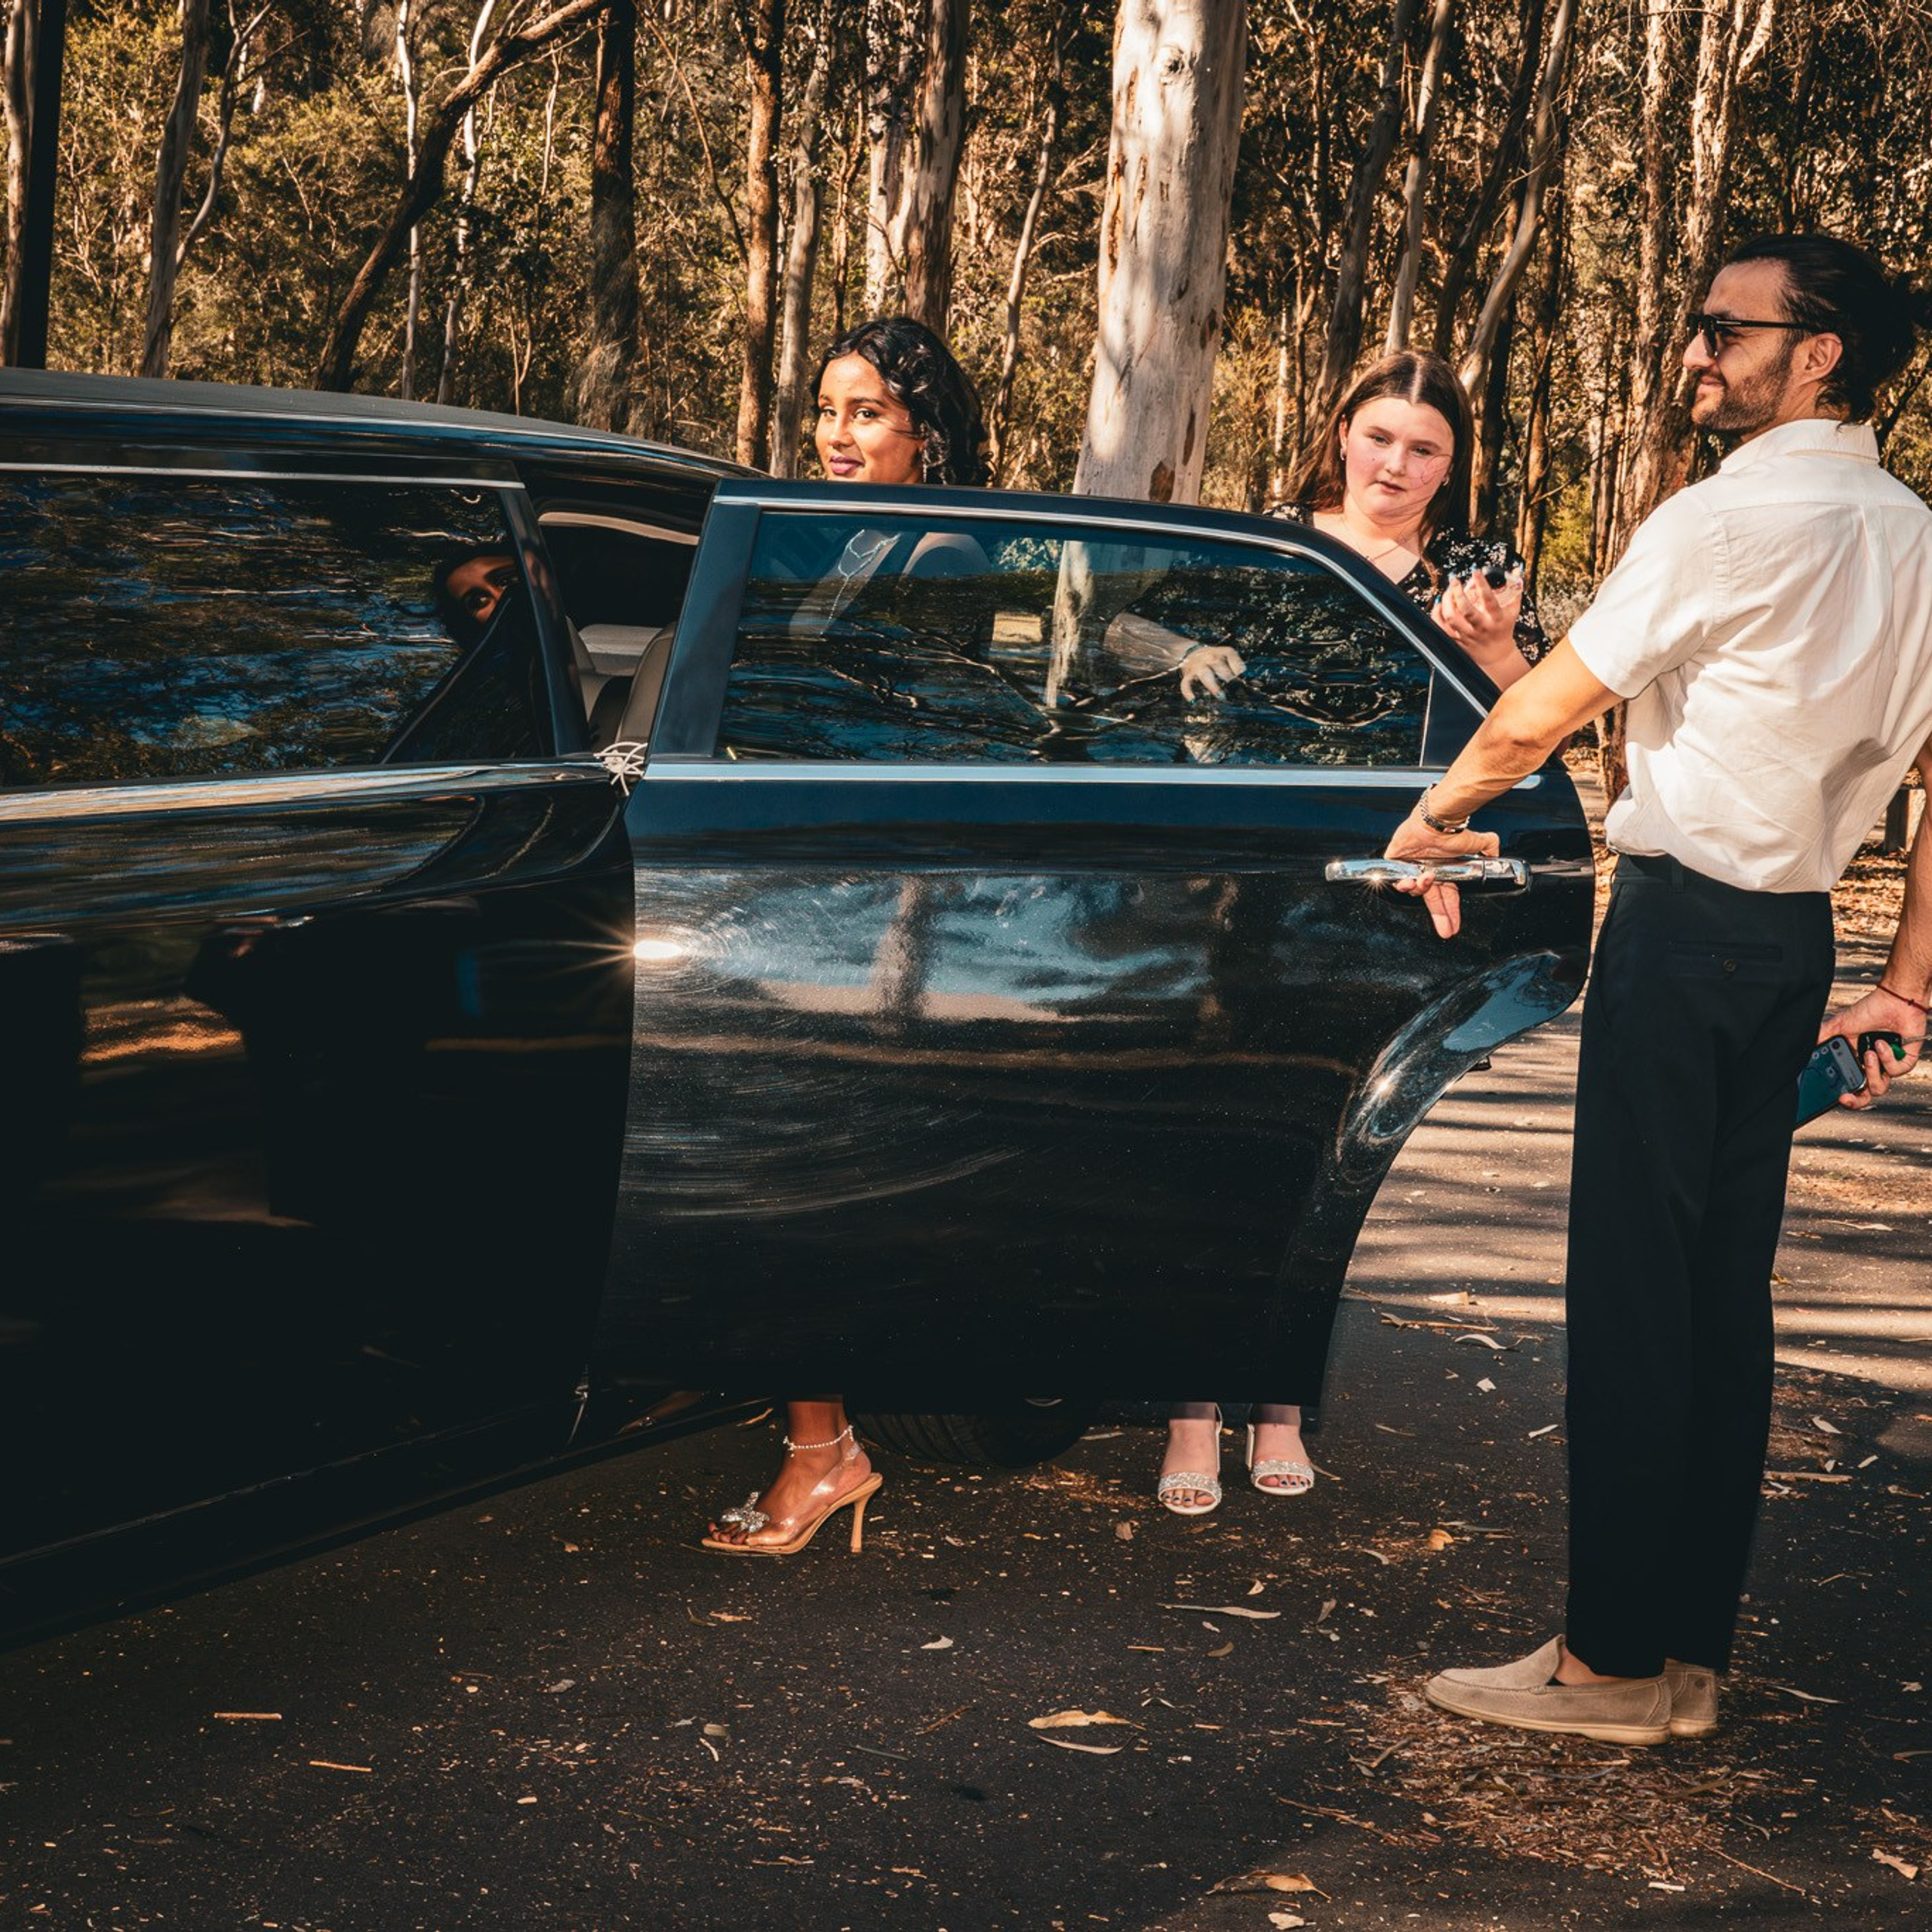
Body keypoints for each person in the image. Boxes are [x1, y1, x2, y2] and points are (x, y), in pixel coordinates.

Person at [1386, 234, 1932, 1744]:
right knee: (1714, 1303)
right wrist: (1902, 984)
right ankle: (1683, 1653)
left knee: (1633, 1294)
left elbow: (1553, 701)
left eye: (1720, 330)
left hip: (1684, 930)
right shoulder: (1912, 535)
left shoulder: (1724, 518)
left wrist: (1435, 813)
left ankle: (1607, 1666)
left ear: (1814, 353)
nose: (1693, 352)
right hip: (1791, 946)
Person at [1155, 351, 1551, 1518]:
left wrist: (1489, 647)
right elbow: (1132, 632)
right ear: (1342, 432)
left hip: (1389, 879)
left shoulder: (1477, 569)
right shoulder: (1274, 540)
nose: (1398, 465)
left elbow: (1535, 723)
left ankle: (1278, 1401)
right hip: (1253, 872)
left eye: (1426, 448)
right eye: (1381, 437)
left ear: (1453, 463)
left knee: (1326, 1155)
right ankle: (1189, 1406)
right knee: (1214, 1137)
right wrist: (1186, 656)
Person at [703, 316, 990, 1556]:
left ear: (923, 431)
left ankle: (824, 1451)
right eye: (827, 409)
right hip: (796, 880)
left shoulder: (942, 549)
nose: (835, 432)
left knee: (796, 1173)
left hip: (858, 891)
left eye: (866, 412)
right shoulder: (850, 534)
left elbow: (895, 738)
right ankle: (819, 1436)